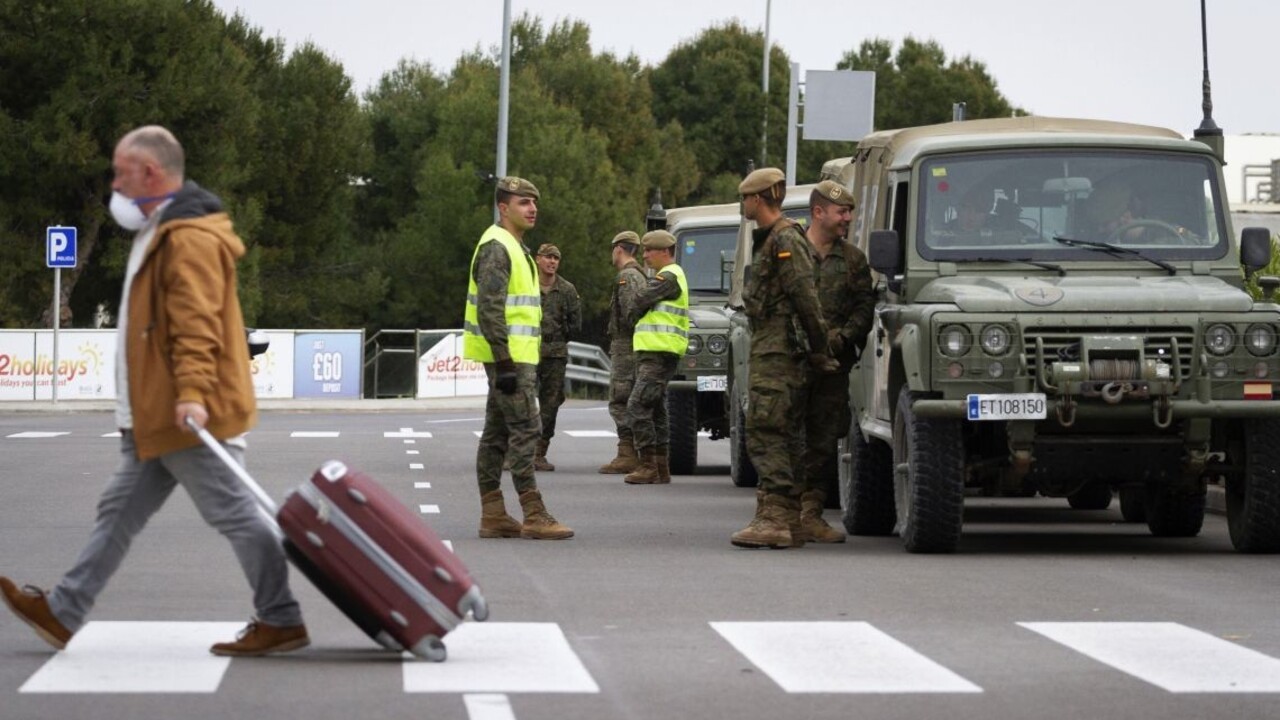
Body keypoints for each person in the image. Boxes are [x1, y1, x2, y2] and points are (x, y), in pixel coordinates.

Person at [0, 125, 307, 656]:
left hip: (186, 412)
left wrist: (190, 394)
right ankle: (63, 611)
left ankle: (281, 618)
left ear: (150, 173)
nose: (114, 183)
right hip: (157, 411)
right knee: (118, 509)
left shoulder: (187, 238)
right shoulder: (165, 228)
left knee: (234, 513)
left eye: (121, 172)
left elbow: (195, 325)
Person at [731, 167, 838, 549]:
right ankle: (787, 519)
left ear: (757, 199)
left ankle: (774, 518)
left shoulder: (784, 238)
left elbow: (807, 299)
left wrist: (819, 348)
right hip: (775, 348)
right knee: (785, 432)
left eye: (745, 198)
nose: (743, 204)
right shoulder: (776, 238)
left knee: (766, 430)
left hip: (778, 352)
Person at [464, 176, 573, 540]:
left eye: (534, 203)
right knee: (527, 429)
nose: (532, 209)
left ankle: (493, 513)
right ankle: (534, 513)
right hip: (509, 359)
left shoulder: (515, 247)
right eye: (523, 202)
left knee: (496, 434)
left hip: (515, 357)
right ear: (503, 207)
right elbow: (490, 309)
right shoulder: (498, 246)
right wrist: (505, 362)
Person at [799, 180, 875, 544]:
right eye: (842, 212)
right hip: (790, 361)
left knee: (824, 438)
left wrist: (842, 338)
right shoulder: (788, 249)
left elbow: (865, 309)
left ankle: (810, 513)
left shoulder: (853, 260)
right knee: (782, 435)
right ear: (819, 212)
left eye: (849, 212)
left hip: (832, 365)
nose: (847, 218)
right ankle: (778, 512)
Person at [622, 229, 690, 485]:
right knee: (656, 409)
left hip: (660, 352)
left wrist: (635, 308)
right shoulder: (669, 276)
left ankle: (648, 465)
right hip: (657, 351)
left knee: (637, 406)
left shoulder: (669, 276)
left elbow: (639, 299)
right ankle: (660, 467)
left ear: (664, 252)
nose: (645, 256)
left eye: (649, 251)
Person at [598, 231, 648, 474]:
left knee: (621, 399)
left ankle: (628, 453)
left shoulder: (627, 277)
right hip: (631, 346)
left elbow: (630, 315)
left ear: (618, 248)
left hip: (626, 348)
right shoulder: (637, 275)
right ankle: (633, 452)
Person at [532, 243, 582, 472]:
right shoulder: (526, 284)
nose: (552, 262)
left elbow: (575, 324)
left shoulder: (567, 290)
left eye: (556, 258)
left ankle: (539, 451)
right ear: (537, 259)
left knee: (550, 404)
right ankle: (514, 451)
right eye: (548, 257)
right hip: (527, 351)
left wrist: (557, 340)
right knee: (519, 402)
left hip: (555, 355)